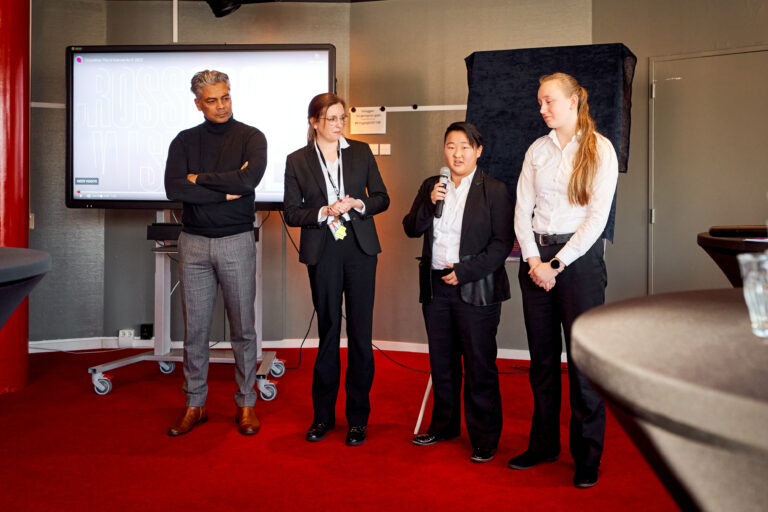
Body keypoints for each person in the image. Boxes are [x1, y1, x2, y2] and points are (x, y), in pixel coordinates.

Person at [509, 72, 619, 488]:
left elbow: (596, 220)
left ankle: (587, 457)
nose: (542, 109)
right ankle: (543, 445)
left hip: (579, 264)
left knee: (582, 364)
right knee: (541, 362)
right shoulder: (537, 149)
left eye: (549, 101)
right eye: (540, 101)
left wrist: (554, 266)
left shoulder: (600, 148)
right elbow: (522, 210)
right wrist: (533, 260)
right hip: (535, 261)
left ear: (573, 102)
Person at [164, 70, 267, 436]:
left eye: (226, 97)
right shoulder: (184, 140)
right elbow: (174, 188)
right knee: (195, 331)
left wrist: (199, 179)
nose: (222, 106)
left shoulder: (251, 137)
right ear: (198, 104)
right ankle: (195, 404)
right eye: (212, 100)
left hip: (236, 240)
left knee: (243, 329)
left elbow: (248, 181)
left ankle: (246, 404)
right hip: (193, 242)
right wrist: (224, 190)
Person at [404, 121, 514, 463]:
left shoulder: (494, 189)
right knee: (442, 362)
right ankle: (444, 426)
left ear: (478, 151)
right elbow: (411, 228)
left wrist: (464, 272)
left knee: (479, 365)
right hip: (435, 287)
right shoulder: (431, 185)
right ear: (444, 150)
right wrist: (429, 203)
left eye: (465, 147)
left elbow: (502, 244)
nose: (457, 154)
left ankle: (484, 437)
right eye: (451, 146)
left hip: (475, 288)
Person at [284, 93, 389, 446]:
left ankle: (358, 420)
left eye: (342, 117)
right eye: (331, 118)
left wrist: (358, 203)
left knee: (360, 333)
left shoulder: (360, 152)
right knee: (328, 330)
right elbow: (291, 213)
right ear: (314, 122)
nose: (338, 124)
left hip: (360, 249)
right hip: (323, 249)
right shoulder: (297, 160)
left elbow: (382, 197)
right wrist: (324, 211)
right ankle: (322, 418)